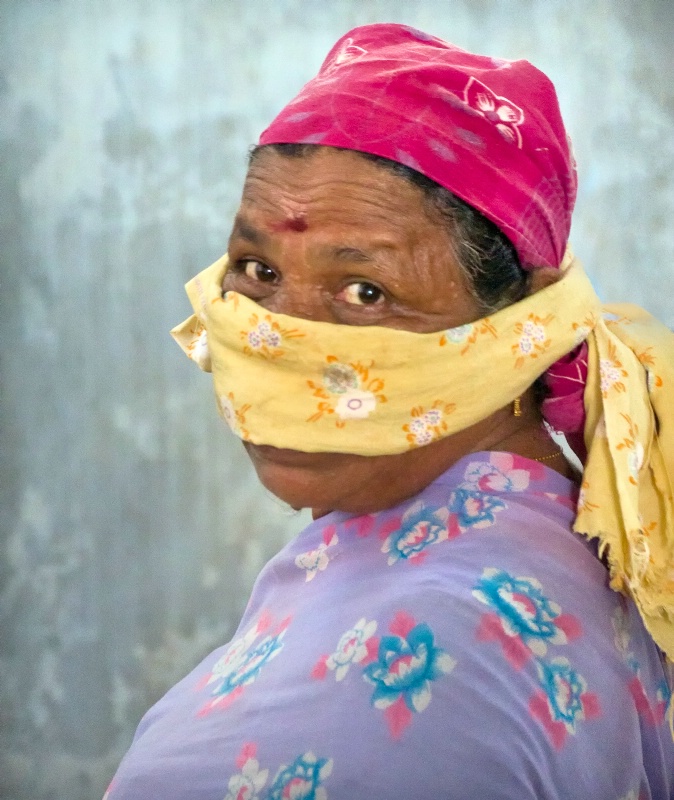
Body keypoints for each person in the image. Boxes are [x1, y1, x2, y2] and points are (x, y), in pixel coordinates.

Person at [105, 23, 674, 799]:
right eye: (257, 270)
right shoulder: (479, 534)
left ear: (522, 327)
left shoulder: (447, 657)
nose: (281, 336)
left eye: (365, 292)